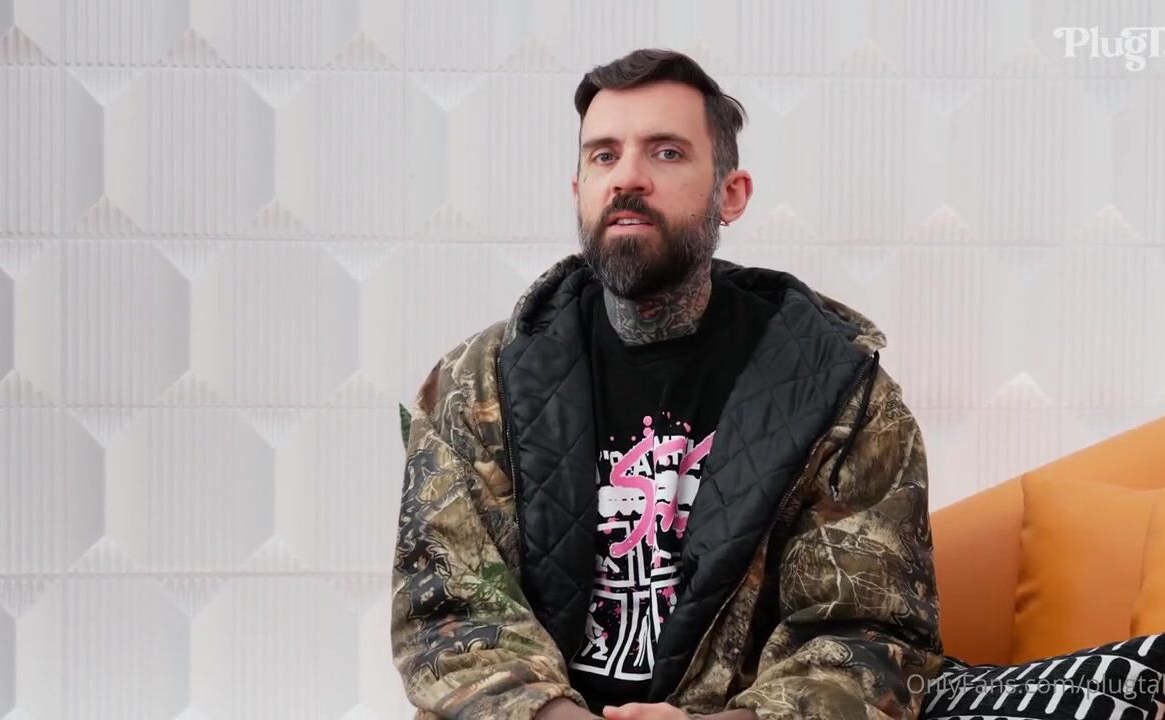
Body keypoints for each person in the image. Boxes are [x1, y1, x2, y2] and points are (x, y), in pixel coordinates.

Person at [392, 48, 943, 720]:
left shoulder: (840, 394)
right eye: (603, 156)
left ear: (730, 194)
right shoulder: (476, 385)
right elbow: (448, 615)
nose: (628, 177)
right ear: (578, 191)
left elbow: (869, 637)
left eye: (666, 152)